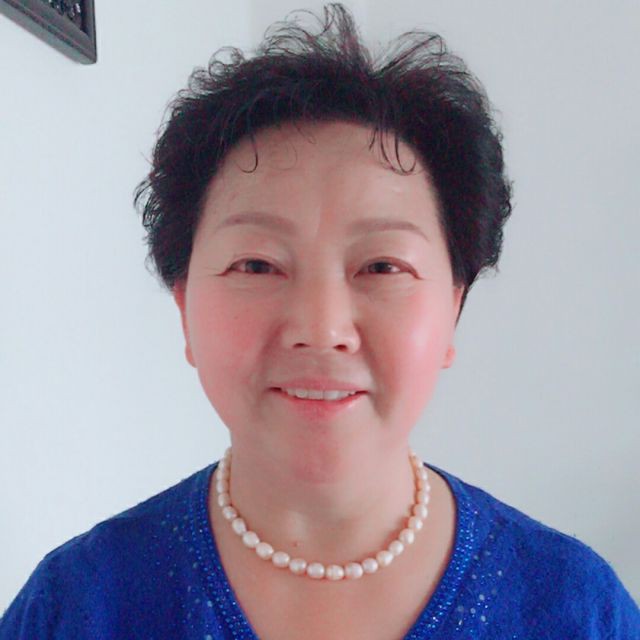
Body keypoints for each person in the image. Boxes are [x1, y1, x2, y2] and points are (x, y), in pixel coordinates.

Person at [1, 3, 638, 639]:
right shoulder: (77, 605)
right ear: (184, 308)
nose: (322, 327)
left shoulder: (576, 607)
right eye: (256, 264)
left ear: (453, 308)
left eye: (382, 266)